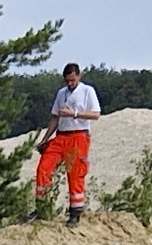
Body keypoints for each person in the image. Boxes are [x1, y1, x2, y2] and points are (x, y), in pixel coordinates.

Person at [34, 63, 101, 226]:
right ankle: (42, 207)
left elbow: (96, 114)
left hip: (79, 135)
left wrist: (74, 114)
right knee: (44, 168)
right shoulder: (61, 93)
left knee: (75, 173)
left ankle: (75, 212)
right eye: (67, 81)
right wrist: (45, 139)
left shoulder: (87, 91)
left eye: (72, 80)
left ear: (79, 76)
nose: (70, 84)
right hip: (61, 136)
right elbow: (55, 118)